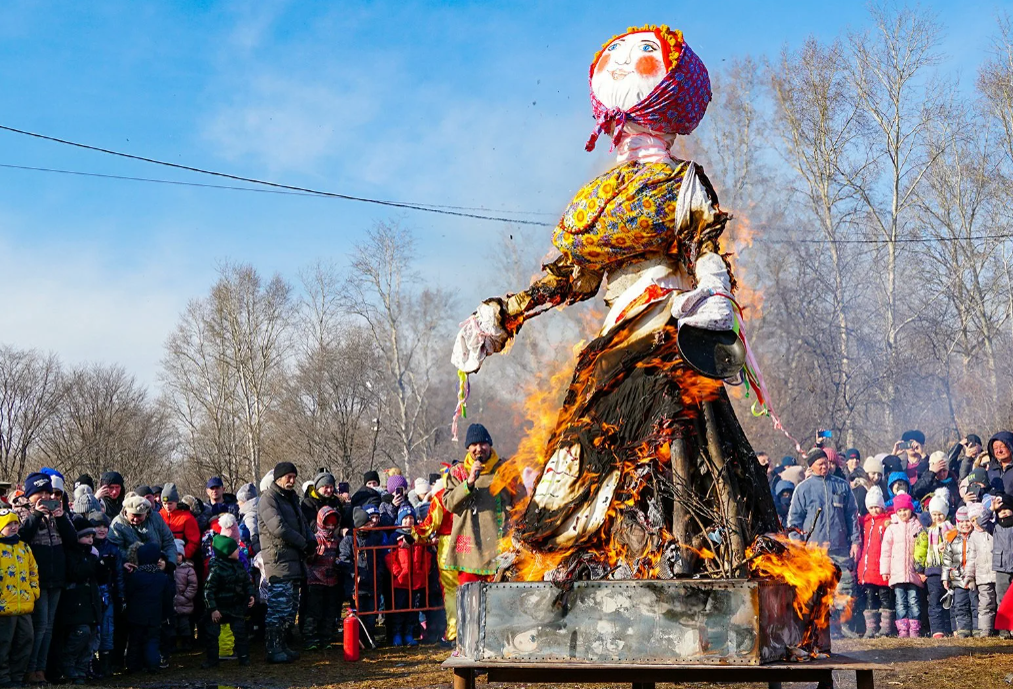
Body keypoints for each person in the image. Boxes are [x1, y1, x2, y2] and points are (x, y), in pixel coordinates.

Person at [786, 448, 859, 636]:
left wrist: (855, 542)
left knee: (844, 587)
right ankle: (816, 627)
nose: (825, 466)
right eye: (820, 464)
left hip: (839, 548)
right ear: (811, 466)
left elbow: (852, 516)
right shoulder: (802, 489)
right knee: (815, 590)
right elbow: (794, 522)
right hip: (813, 551)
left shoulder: (842, 486)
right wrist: (798, 546)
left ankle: (842, 625)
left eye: (826, 463)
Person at [19, 471, 78, 685]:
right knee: (40, 624)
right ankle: (30, 668)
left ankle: (41, 669)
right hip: (36, 578)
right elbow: (21, 538)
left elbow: (73, 541)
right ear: (30, 494)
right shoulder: (22, 512)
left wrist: (62, 517)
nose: (46, 497)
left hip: (57, 576)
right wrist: (35, 515)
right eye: (40, 493)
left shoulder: (58, 513)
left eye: (48, 492)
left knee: (50, 626)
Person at [258, 461, 314, 664]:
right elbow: (279, 528)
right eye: (288, 477)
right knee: (278, 608)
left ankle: (283, 645)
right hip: (278, 560)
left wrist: (312, 540)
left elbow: (302, 524)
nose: (292, 481)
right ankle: (273, 648)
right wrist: (303, 543)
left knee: (290, 607)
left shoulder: (291, 499)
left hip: (294, 561)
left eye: (294, 477)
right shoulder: (268, 499)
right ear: (278, 478)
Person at [443, 424, 511, 584]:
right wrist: (469, 482)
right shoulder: (458, 471)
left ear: (490, 445)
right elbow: (449, 503)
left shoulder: (505, 469)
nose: (479, 449)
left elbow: (519, 502)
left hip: (500, 549)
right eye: (474, 445)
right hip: (470, 551)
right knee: (471, 604)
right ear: (468, 448)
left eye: (483, 444)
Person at [412, 475, 457, 646]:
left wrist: (414, 535)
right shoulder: (470, 495)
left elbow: (430, 524)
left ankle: (453, 634)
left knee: (451, 592)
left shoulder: (441, 497)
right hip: (469, 545)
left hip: (448, 546)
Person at [60, 517, 106, 685]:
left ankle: (81, 670)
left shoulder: (91, 555)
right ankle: (69, 666)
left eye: (92, 537)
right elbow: (76, 573)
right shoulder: (72, 553)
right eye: (87, 536)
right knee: (81, 633)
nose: (90, 540)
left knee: (91, 638)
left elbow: (100, 579)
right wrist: (93, 563)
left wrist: (103, 566)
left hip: (92, 602)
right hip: (76, 605)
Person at [0, 508, 38, 688]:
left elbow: (33, 571)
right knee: (4, 643)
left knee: (26, 639)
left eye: (16, 523)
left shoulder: (24, 547)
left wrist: (34, 591)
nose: (14, 527)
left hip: (24, 605)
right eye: (9, 524)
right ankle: (3, 677)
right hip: (3, 607)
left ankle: (17, 676)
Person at [203, 535, 254, 668]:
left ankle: (244, 658)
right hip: (218, 608)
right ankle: (212, 661)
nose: (239, 551)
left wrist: (251, 595)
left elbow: (246, 583)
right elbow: (208, 591)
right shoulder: (216, 569)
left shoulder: (238, 566)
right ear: (227, 552)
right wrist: (213, 609)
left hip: (235, 606)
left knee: (240, 632)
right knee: (212, 635)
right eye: (235, 549)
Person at [124, 542, 173, 674]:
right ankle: (152, 665)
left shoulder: (135, 576)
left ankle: (133, 666)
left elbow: (128, 594)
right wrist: (166, 614)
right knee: (152, 640)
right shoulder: (162, 577)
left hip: (136, 615)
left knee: (135, 641)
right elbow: (167, 599)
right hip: (155, 615)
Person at [339, 506, 385, 648]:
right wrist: (355, 574)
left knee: (371, 615)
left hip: (372, 584)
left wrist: (378, 573)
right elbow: (344, 561)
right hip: (357, 586)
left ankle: (369, 639)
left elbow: (380, 558)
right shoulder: (348, 541)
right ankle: (357, 640)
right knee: (358, 614)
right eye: (367, 524)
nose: (371, 525)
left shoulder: (374, 538)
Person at [385, 505, 430, 647]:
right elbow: (389, 557)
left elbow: (426, 556)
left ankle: (409, 634)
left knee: (413, 610)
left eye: (411, 518)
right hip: (400, 581)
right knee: (399, 609)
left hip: (416, 580)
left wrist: (423, 571)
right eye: (405, 518)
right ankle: (397, 634)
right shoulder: (394, 536)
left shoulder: (419, 535)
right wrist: (398, 572)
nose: (408, 521)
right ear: (400, 520)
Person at [880, 493, 924, 638]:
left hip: (913, 572)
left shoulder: (918, 526)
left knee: (914, 600)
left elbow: (923, 547)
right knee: (900, 602)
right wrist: (885, 570)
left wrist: (922, 570)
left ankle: (914, 629)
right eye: (899, 511)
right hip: (897, 572)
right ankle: (903, 629)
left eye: (905, 509)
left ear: (911, 509)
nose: (902, 513)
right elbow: (886, 551)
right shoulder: (892, 528)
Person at [303, 506, 342, 651]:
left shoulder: (337, 541)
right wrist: (314, 554)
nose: (331, 527)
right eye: (328, 523)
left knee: (329, 611)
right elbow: (307, 560)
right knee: (314, 611)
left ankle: (326, 638)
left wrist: (338, 562)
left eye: (333, 523)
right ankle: (310, 638)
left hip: (332, 582)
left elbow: (340, 557)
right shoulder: (315, 539)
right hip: (315, 581)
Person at [915, 490, 954, 638]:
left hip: (948, 569)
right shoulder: (926, 532)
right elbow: (920, 549)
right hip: (932, 570)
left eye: (940, 514)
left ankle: (950, 627)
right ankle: (937, 629)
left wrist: (947, 545)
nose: (937, 517)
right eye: (934, 514)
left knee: (949, 599)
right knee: (935, 599)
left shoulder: (951, 530)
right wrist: (920, 569)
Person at [89, 511, 121, 678]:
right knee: (94, 629)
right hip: (90, 594)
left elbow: (119, 574)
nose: (101, 530)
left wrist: (120, 595)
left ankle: (106, 665)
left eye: (104, 527)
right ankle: (92, 664)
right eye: (97, 526)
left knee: (108, 628)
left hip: (107, 593)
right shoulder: (86, 547)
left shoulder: (113, 548)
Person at [109, 495, 177, 572]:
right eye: (133, 515)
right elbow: (114, 549)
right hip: (132, 571)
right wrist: (125, 562)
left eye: (139, 516)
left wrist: (170, 562)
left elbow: (169, 542)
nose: (136, 519)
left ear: (146, 513)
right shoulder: (117, 525)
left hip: (159, 568)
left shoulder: (156, 518)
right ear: (125, 512)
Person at [858, 488, 893, 637]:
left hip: (881, 566)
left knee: (885, 597)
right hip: (868, 567)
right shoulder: (866, 522)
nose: (874, 510)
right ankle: (871, 628)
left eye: (877, 507)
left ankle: (885, 627)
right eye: (871, 507)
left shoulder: (886, 521)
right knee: (870, 597)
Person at [979, 492, 1013, 637]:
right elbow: (981, 522)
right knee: (1002, 599)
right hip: (1002, 568)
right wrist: (990, 509)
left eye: (1006, 509)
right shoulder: (995, 527)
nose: (1003, 513)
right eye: (1000, 511)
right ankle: (1004, 631)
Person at [942, 506, 976, 638]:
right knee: (960, 605)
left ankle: (977, 628)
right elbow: (946, 560)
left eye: (967, 521)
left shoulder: (975, 537)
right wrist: (945, 577)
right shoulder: (953, 539)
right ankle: (963, 629)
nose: (964, 524)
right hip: (957, 578)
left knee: (975, 604)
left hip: (974, 578)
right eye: (961, 522)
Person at [968, 502, 997, 636]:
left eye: (977, 518)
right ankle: (985, 630)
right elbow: (971, 557)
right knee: (985, 604)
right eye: (972, 520)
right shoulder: (973, 536)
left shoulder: (993, 530)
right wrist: (970, 576)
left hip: (997, 573)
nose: (975, 522)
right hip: (982, 576)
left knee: (1000, 602)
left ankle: (1003, 629)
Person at [159, 484, 200, 563]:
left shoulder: (187, 517)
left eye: (170, 503)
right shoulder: (159, 516)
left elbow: (194, 541)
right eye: (164, 503)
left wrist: (184, 555)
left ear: (176, 501)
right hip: (162, 559)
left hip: (181, 560)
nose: (167, 506)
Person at [173, 540, 198, 651]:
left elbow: (193, 585)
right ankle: (174, 645)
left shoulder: (188, 569)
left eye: (179, 554)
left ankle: (187, 643)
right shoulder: (169, 569)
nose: (177, 557)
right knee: (173, 625)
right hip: (172, 603)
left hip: (185, 603)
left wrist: (186, 597)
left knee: (185, 625)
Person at [235, 483, 260, 556]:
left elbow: (253, 536)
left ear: (244, 501)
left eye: (239, 500)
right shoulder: (259, 510)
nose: (237, 503)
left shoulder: (250, 516)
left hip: (254, 553)